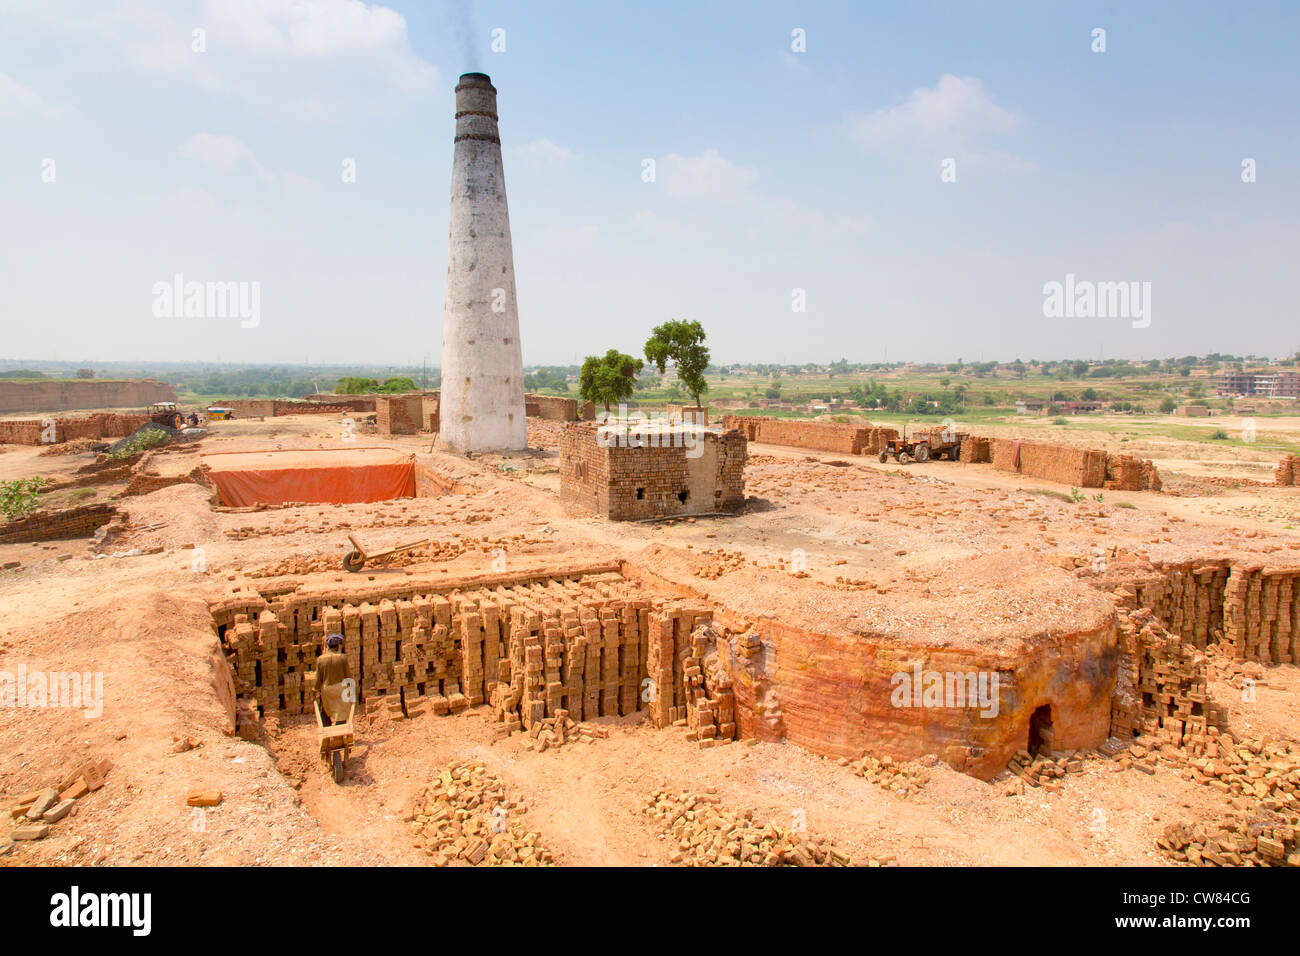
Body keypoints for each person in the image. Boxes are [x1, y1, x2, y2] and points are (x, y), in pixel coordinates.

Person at [315, 634, 351, 726]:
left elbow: (318, 679)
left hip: (327, 689)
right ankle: (340, 727)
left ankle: (327, 725)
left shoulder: (320, 659)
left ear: (327, 646)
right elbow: (348, 677)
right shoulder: (343, 658)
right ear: (337, 646)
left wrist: (315, 690)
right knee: (341, 712)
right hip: (340, 689)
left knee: (325, 708)